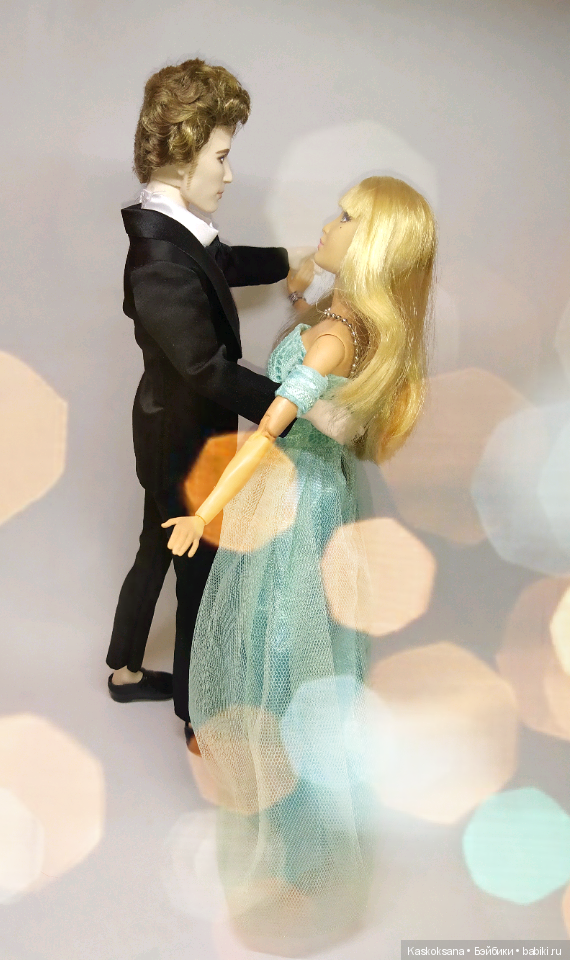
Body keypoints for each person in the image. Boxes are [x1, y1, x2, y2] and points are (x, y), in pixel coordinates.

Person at [164, 176, 437, 952]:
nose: (329, 222)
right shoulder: (347, 321)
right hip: (307, 494)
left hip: (293, 506)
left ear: (372, 245)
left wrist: (204, 512)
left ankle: (297, 857)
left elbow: (267, 431)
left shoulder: (332, 340)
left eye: (347, 218)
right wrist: (304, 277)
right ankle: (285, 825)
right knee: (282, 649)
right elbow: (319, 405)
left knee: (285, 657)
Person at [105, 58, 314, 735]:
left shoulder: (172, 230)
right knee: (199, 570)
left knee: (154, 549)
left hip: (168, 427)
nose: (228, 174)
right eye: (220, 157)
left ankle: (124, 670)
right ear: (182, 155)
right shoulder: (158, 262)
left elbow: (222, 262)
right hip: (182, 439)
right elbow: (205, 368)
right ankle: (197, 714)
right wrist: (294, 402)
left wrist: (289, 262)